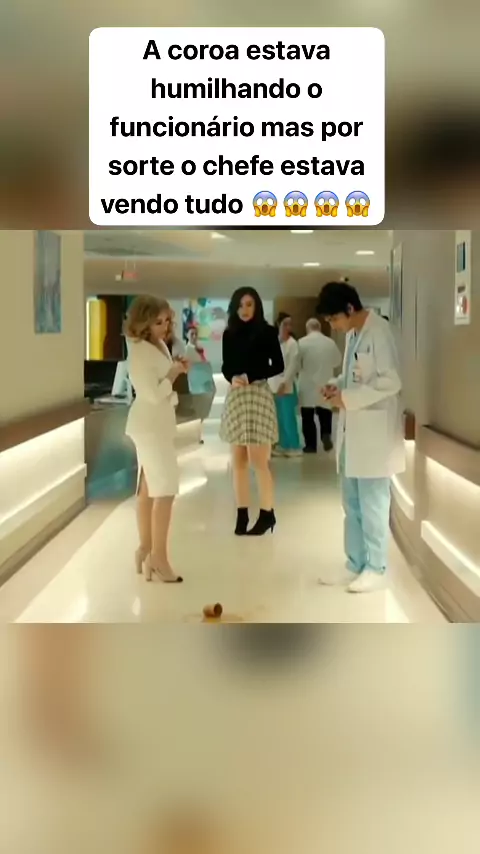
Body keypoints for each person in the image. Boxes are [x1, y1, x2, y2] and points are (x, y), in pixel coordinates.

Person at [317, 282, 405, 593]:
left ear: (350, 308)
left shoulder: (379, 332)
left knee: (373, 503)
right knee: (351, 504)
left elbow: (391, 381)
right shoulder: (353, 334)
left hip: (374, 433)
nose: (333, 326)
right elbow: (354, 375)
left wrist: (348, 399)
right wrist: (336, 385)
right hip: (352, 432)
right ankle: (354, 563)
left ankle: (377, 568)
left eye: (333, 319)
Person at [124, 295, 188, 583]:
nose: (164, 327)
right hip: (150, 426)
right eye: (158, 322)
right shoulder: (139, 351)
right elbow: (151, 394)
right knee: (165, 489)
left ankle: (146, 550)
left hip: (155, 425)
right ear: (144, 322)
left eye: (167, 321)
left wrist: (174, 370)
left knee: (150, 487)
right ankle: (157, 557)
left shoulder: (156, 345)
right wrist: (173, 374)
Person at [220, 287, 284, 536]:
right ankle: (242, 514)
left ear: (256, 306)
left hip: (258, 394)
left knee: (258, 461)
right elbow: (226, 366)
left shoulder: (267, 332)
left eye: (249, 304)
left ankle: (267, 513)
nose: (244, 310)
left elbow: (278, 365)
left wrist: (250, 376)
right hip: (237, 396)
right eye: (240, 305)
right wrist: (232, 377)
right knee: (237, 461)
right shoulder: (229, 334)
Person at [298, 318, 342, 454]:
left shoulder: (302, 343)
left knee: (307, 415)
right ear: (320, 328)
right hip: (325, 381)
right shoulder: (330, 343)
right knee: (325, 410)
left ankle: (311, 445)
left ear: (307, 329)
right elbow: (337, 361)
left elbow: (297, 363)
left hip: (307, 382)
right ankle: (326, 434)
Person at [270, 316, 302, 457]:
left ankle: (295, 446)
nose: (288, 327)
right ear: (279, 324)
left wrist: (284, 383)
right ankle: (283, 444)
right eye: (285, 324)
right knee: (279, 418)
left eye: (290, 324)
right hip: (273, 385)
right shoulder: (274, 342)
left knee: (288, 417)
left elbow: (293, 366)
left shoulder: (292, 344)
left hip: (286, 387)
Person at [185, 326, 216, 444]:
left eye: (195, 334)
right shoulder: (187, 350)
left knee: (202, 410)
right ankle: (196, 436)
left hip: (205, 384)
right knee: (198, 411)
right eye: (191, 334)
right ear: (187, 335)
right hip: (196, 384)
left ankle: (198, 434)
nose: (194, 336)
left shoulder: (199, 349)